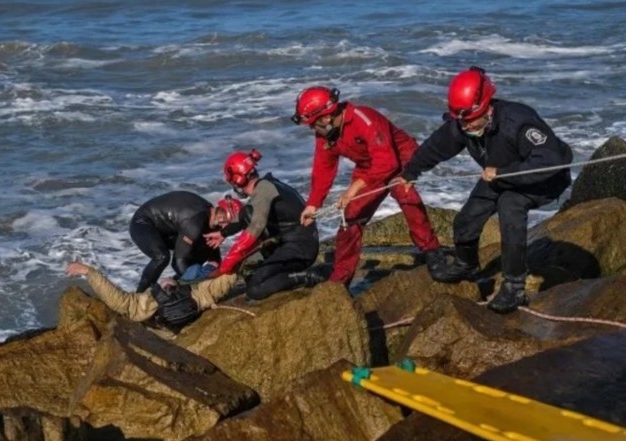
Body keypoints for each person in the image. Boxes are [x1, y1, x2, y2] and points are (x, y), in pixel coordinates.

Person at [397, 66, 572, 313]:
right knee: (466, 219)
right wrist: (411, 172)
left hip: (544, 178)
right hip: (499, 174)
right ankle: (466, 264)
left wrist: (502, 173)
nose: (465, 126)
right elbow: (437, 146)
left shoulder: (519, 121)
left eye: (470, 120)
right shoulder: (463, 123)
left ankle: (514, 287)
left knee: (509, 205)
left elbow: (550, 161)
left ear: (487, 107)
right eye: (461, 121)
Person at [291, 86, 444, 288]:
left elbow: (388, 162)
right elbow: (323, 170)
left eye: (312, 124)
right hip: (369, 166)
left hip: (401, 158)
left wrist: (354, 189)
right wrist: (313, 204)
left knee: (405, 195)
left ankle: (432, 252)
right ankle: (340, 278)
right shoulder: (326, 136)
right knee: (351, 216)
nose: (312, 129)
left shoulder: (364, 119)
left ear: (326, 118)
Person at [205, 149, 325, 301]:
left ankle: (310, 275)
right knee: (248, 213)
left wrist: (226, 266)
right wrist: (223, 234)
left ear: (238, 180)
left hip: (300, 249)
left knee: (255, 289)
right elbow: (245, 216)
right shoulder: (267, 185)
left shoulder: (264, 190)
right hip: (295, 243)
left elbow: (254, 228)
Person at [66, 261, 238, 330]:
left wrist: (89, 272)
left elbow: (116, 299)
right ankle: (208, 266)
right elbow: (226, 280)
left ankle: (208, 267)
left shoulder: (146, 306)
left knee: (195, 269)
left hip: (168, 322)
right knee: (196, 269)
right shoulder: (199, 295)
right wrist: (234, 266)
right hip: (189, 303)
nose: (166, 281)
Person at [129, 191, 242, 292]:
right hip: (142, 223)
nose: (231, 231)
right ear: (221, 218)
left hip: (168, 227)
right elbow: (178, 263)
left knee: (203, 245)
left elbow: (214, 258)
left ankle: (174, 285)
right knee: (162, 257)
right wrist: (200, 286)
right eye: (230, 226)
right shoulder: (196, 223)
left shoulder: (210, 218)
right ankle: (140, 295)